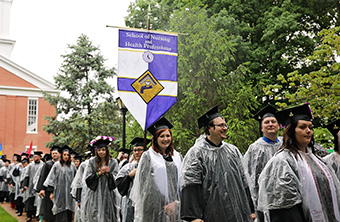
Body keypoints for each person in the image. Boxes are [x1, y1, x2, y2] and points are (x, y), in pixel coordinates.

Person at [257, 103, 340, 222]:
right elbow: (284, 206)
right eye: (302, 127)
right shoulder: (282, 161)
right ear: (291, 131)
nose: (308, 131)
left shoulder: (317, 160)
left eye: (310, 127)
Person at [180, 106, 254, 222]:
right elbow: (191, 184)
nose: (225, 128)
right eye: (221, 125)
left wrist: (250, 208)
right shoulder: (196, 153)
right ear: (210, 128)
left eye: (225, 125)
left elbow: (243, 180)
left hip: (236, 211)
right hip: (211, 213)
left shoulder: (232, 151)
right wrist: (194, 217)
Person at [130, 117, 182, 222]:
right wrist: (162, 204)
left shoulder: (177, 156)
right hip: (153, 208)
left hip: (175, 207)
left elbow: (181, 180)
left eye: (168, 135)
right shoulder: (148, 156)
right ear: (156, 138)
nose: (165, 139)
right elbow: (144, 185)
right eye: (161, 136)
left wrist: (176, 203)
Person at [243, 104, 282, 221]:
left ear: (278, 126)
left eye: (273, 121)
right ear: (262, 128)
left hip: (284, 197)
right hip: (264, 199)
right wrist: (252, 206)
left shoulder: (284, 144)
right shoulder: (255, 148)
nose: (270, 124)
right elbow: (249, 178)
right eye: (266, 122)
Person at [83, 136, 119, 222]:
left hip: (109, 195)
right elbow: (88, 178)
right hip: (94, 195)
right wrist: (98, 173)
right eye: (99, 150)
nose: (101, 152)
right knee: (95, 215)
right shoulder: (92, 162)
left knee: (108, 216)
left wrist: (108, 173)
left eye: (103, 150)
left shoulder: (113, 162)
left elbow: (117, 178)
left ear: (106, 150)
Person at [116, 137, 151, 222]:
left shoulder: (151, 166)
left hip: (147, 202)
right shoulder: (129, 167)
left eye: (139, 150)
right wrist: (129, 176)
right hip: (130, 203)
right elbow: (118, 182)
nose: (136, 152)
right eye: (135, 150)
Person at [43, 145, 76, 222]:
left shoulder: (72, 166)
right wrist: (51, 192)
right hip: (59, 192)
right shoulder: (57, 165)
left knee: (68, 211)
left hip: (69, 193)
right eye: (64, 155)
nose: (66, 156)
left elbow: (76, 179)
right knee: (59, 211)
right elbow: (51, 179)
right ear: (61, 155)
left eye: (68, 155)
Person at [36, 146, 60, 222]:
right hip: (48, 190)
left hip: (59, 190)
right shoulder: (48, 164)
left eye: (56, 153)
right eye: (53, 153)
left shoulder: (62, 164)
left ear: (59, 154)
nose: (54, 155)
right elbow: (42, 176)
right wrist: (42, 189)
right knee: (49, 209)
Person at [22, 151, 44, 222]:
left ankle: (37, 215)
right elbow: (26, 175)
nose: (34, 158)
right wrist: (25, 185)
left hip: (39, 186)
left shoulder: (43, 165)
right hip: (30, 186)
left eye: (35, 156)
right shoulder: (30, 165)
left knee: (38, 202)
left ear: (40, 157)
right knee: (30, 201)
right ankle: (29, 216)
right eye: (33, 156)